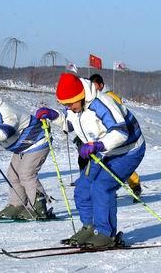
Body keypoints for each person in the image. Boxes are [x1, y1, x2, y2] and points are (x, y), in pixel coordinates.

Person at [36, 73, 145, 248]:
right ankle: (89, 227)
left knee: (102, 186)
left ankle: (106, 234)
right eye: (65, 105)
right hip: (103, 151)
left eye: (70, 104)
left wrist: (98, 145)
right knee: (83, 187)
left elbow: (121, 132)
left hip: (128, 150)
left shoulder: (101, 104)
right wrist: (53, 115)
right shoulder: (76, 106)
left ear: (80, 96)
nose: (68, 108)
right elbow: (69, 124)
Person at [89, 73, 142, 201]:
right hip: (104, 135)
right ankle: (108, 189)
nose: (93, 88)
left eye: (94, 85)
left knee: (120, 163)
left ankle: (135, 185)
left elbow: (119, 116)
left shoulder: (109, 96)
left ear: (101, 85)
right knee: (108, 164)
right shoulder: (94, 99)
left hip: (118, 135)